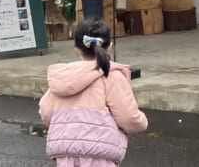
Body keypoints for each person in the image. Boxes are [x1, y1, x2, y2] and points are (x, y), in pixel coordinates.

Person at [39, 19, 147, 166]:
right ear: (109, 46)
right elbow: (128, 117)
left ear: (77, 49)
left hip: (65, 156)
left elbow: (46, 112)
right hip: (99, 155)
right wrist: (142, 122)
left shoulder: (64, 76)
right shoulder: (111, 76)